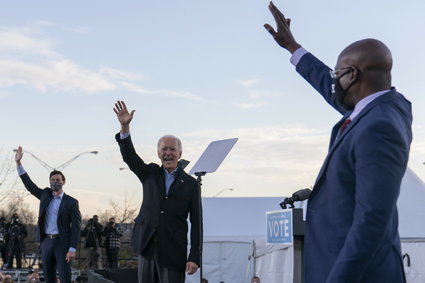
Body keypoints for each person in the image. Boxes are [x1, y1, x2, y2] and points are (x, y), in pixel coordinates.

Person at [264, 2, 411, 283]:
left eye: (337, 74)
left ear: (353, 74)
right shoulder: (382, 109)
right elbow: (331, 89)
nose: (333, 83)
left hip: (357, 275)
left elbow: (372, 221)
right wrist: (294, 48)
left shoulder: (378, 127)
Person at [113, 100, 202, 283]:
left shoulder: (191, 184)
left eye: (172, 149)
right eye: (164, 149)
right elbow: (130, 157)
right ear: (158, 153)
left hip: (173, 253)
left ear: (180, 153)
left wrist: (194, 256)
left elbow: (197, 222)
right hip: (147, 249)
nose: (168, 153)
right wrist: (125, 127)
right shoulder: (149, 173)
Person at [15, 146, 82, 283]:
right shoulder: (45, 195)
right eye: (53, 179)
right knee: (48, 276)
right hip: (46, 242)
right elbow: (30, 185)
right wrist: (18, 164)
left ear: (63, 182)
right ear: (50, 182)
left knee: (64, 276)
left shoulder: (71, 202)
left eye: (58, 180)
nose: (55, 182)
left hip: (62, 243)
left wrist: (72, 248)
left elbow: (76, 226)